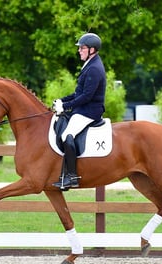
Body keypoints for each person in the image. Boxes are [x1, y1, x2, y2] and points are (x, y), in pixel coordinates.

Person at [52, 32, 106, 190]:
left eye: (82, 48)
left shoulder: (94, 68)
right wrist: (62, 100)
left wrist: (67, 106)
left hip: (90, 111)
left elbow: (87, 96)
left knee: (67, 135)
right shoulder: (90, 64)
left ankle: (72, 177)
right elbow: (78, 93)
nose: (79, 51)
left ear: (92, 50)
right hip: (84, 108)